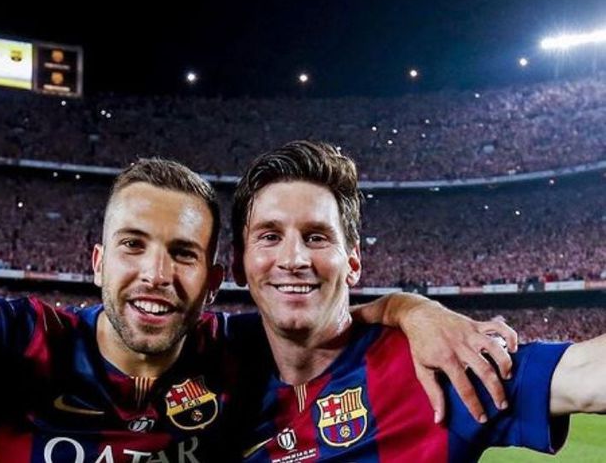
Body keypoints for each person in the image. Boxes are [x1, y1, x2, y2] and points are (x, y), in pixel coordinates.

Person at [0, 0, 516, 460]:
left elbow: (330, 318)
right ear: (97, 261)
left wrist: (412, 309)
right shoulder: (20, 340)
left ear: (213, 279)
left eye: (182, 252)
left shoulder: (240, 351)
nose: (155, 273)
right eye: (133, 245)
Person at [231, 140, 606, 461]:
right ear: (237, 266)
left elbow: (586, 376)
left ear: (353, 264)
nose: (294, 259)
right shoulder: (215, 365)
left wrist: (409, 308)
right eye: (269, 236)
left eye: (316, 237)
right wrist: (401, 305)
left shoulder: (430, 364)